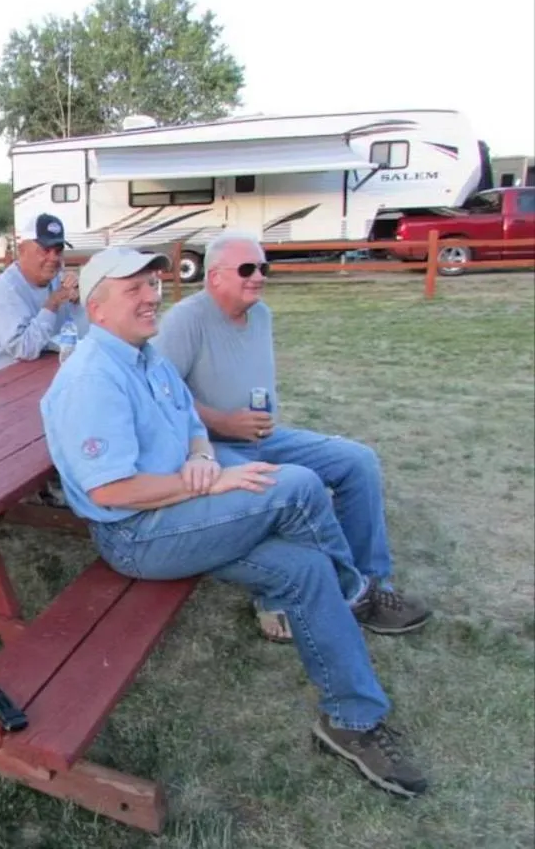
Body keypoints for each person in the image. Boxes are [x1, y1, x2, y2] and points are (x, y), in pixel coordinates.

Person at [39, 245, 428, 799]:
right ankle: (359, 592)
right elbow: (111, 490)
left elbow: (191, 421)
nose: (152, 296)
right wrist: (211, 480)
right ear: (97, 309)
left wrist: (202, 457)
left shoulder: (148, 356)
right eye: (136, 290)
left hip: (183, 510)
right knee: (295, 485)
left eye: (153, 284)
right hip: (137, 534)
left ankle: (352, 720)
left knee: (305, 569)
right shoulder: (92, 378)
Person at [151, 230, 431, 643]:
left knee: (358, 461)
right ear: (214, 277)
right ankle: (287, 594)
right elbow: (160, 396)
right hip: (212, 447)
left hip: (265, 437)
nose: (258, 276)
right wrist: (223, 422)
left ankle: (374, 584)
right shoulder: (186, 319)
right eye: (247, 269)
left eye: (263, 267)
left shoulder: (260, 314)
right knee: (286, 487)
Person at [0, 213, 85, 382]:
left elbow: (80, 334)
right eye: (45, 250)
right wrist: (52, 304)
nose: (53, 257)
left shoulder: (57, 282)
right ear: (22, 250)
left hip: (33, 374)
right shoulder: (5, 290)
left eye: (58, 251)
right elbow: (24, 349)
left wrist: (77, 303)